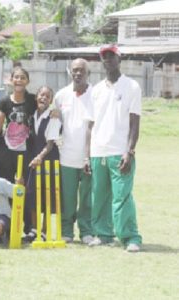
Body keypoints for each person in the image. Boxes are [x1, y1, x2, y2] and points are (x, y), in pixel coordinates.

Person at [84, 44, 142, 252]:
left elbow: (135, 122)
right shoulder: (96, 90)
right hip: (98, 152)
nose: (107, 60)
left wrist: (130, 150)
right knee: (98, 197)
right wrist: (87, 156)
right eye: (104, 57)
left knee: (122, 197)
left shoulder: (132, 86)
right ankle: (104, 234)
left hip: (120, 151)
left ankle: (130, 237)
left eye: (111, 56)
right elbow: (90, 126)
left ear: (119, 59)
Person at [53, 58, 93, 244]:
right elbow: (55, 125)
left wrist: (89, 156)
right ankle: (67, 231)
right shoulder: (61, 95)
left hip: (90, 157)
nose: (78, 73)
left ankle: (86, 231)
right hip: (67, 156)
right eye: (75, 70)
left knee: (87, 198)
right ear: (70, 72)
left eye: (82, 71)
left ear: (88, 73)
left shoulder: (96, 94)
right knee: (67, 199)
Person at [25, 86, 61, 242]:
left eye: (47, 96)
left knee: (47, 195)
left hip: (48, 160)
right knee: (32, 194)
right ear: (36, 97)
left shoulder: (53, 117)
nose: (44, 98)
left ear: (51, 100)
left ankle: (45, 230)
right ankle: (34, 228)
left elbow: (50, 143)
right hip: (33, 159)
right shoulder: (31, 116)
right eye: (41, 95)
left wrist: (40, 157)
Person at [0, 67, 36, 183]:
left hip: (27, 148)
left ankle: (25, 201)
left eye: (23, 78)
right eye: (16, 77)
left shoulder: (33, 100)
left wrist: (54, 112)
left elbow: (44, 110)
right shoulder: (4, 101)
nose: (19, 80)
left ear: (27, 81)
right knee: (7, 180)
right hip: (8, 148)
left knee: (26, 181)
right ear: (11, 80)